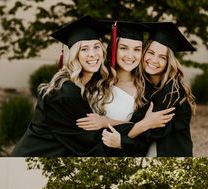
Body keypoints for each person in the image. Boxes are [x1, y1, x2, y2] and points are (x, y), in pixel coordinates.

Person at [11, 16, 121, 157]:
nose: (92, 54)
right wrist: (139, 126)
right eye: (84, 49)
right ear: (74, 55)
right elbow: (95, 145)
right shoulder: (67, 93)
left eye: (96, 47)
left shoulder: (83, 85)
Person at [76, 20, 175, 155]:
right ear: (114, 48)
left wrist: (105, 123)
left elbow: (140, 141)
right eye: (123, 48)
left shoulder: (145, 92)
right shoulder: (94, 79)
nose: (130, 56)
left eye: (137, 49)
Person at [101, 22, 196, 157]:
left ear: (169, 61)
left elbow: (147, 133)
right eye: (150, 52)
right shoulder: (149, 86)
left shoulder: (172, 91)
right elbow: (143, 124)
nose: (154, 60)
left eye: (162, 57)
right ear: (144, 52)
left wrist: (108, 125)